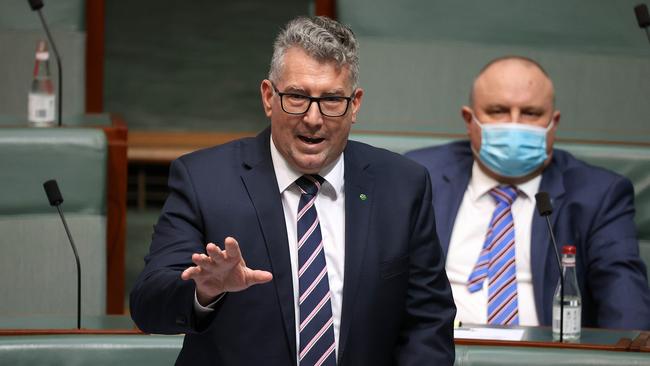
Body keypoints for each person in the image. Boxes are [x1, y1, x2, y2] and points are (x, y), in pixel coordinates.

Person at [130, 16, 456, 365]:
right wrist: (204, 291)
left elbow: (428, 325)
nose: (314, 118)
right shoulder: (204, 180)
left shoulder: (403, 186)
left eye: (332, 100)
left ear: (355, 104)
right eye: (297, 97)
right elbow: (148, 305)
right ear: (269, 97)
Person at [406, 56, 650, 330]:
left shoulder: (599, 195)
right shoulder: (417, 176)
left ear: (553, 123)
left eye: (531, 113)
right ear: (469, 119)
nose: (514, 125)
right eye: (498, 111)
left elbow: (627, 312)